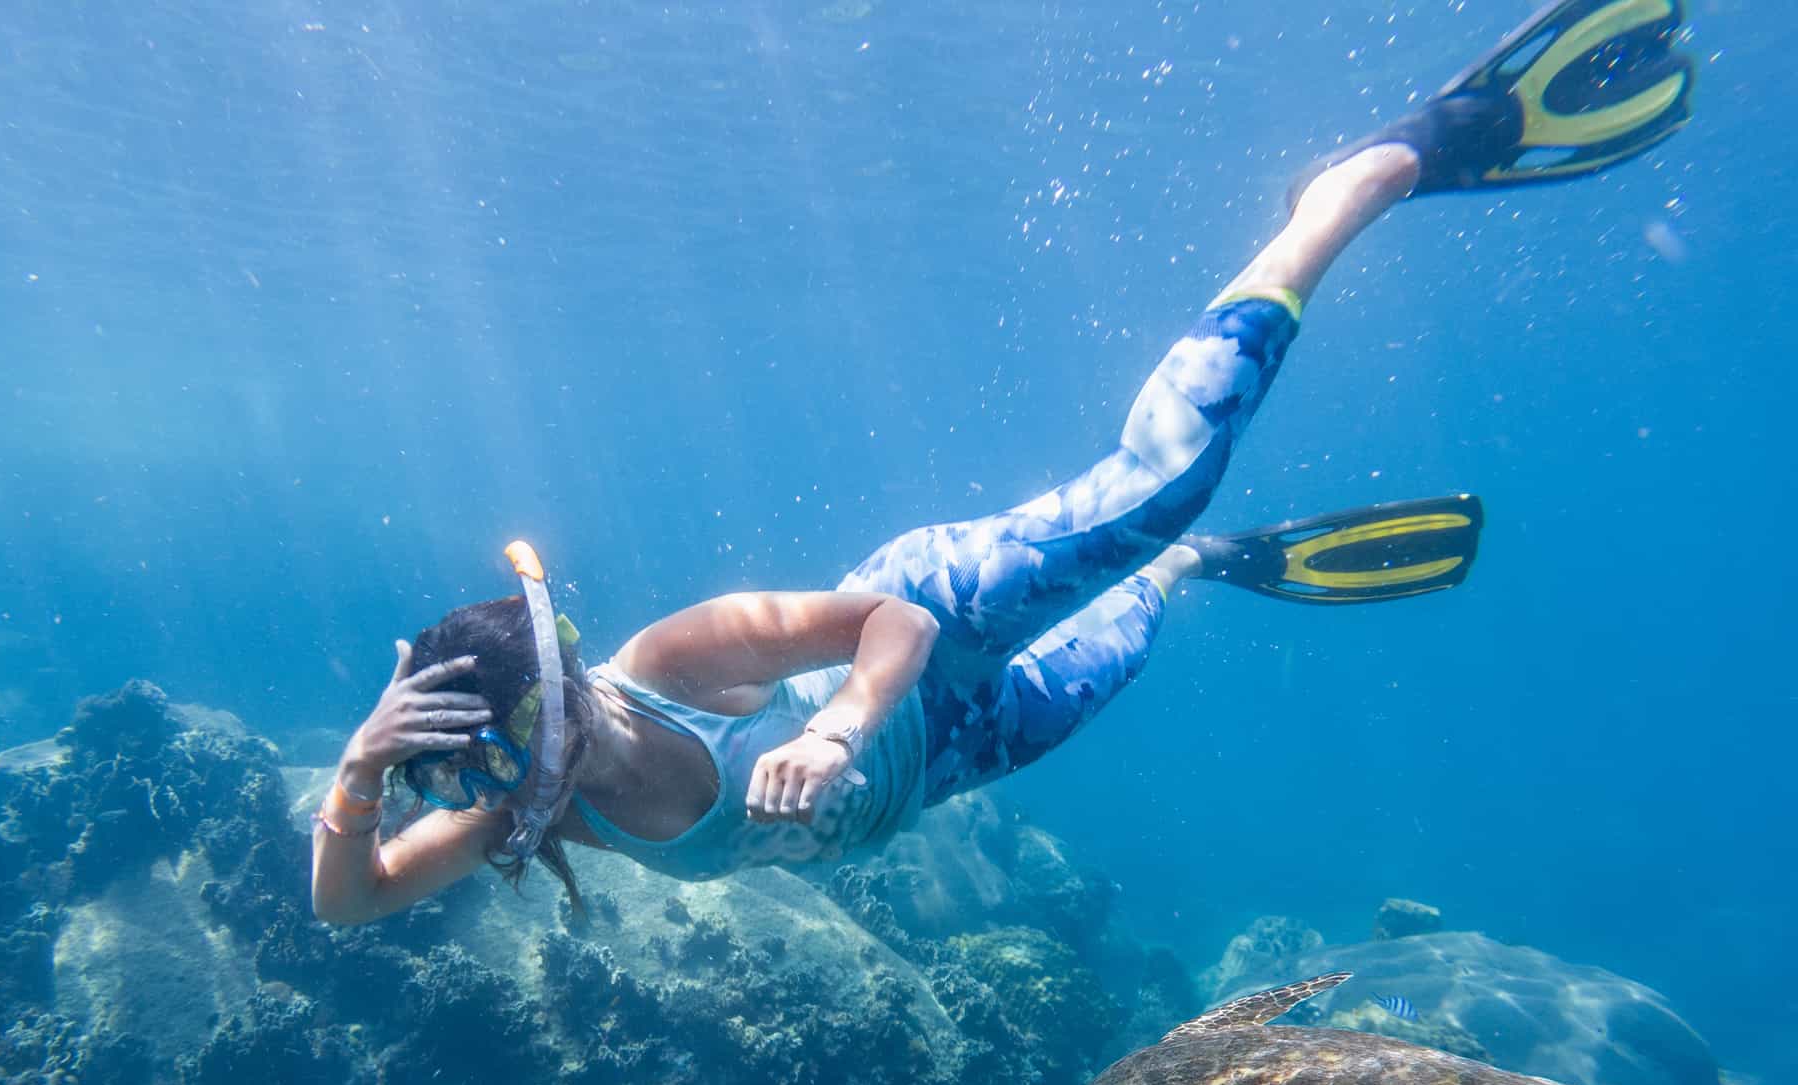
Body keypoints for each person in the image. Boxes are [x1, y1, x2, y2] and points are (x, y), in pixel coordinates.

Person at [312, 0, 1693, 925]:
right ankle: (1197, 572)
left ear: (550, 700)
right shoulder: (517, 813)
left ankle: (1356, 188)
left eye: (479, 755)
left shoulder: (673, 661)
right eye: (460, 773)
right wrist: (365, 769)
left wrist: (838, 726)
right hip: (947, 763)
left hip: (926, 628)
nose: (480, 791)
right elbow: (348, 900)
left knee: (1160, 487)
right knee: (1140, 628)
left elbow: (894, 619)